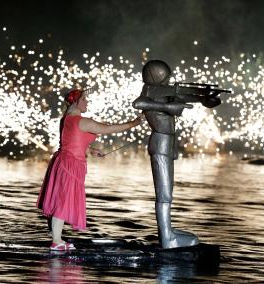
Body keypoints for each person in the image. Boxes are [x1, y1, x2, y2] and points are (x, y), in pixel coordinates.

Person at [37, 88, 145, 251]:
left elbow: (70, 141)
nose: (87, 102)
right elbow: (108, 128)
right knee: (63, 201)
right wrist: (134, 123)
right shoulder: (82, 121)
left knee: (61, 199)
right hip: (71, 165)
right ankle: (56, 242)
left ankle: (56, 238)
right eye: (85, 100)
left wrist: (90, 150)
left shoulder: (66, 119)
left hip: (63, 162)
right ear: (76, 102)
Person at [132, 60, 222, 249]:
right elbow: (138, 103)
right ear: (156, 77)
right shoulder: (149, 91)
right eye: (165, 78)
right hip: (160, 144)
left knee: (168, 194)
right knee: (164, 195)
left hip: (167, 145)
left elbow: (183, 95)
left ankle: (168, 232)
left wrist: (205, 98)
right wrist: (168, 108)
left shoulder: (159, 92)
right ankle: (167, 238)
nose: (169, 81)